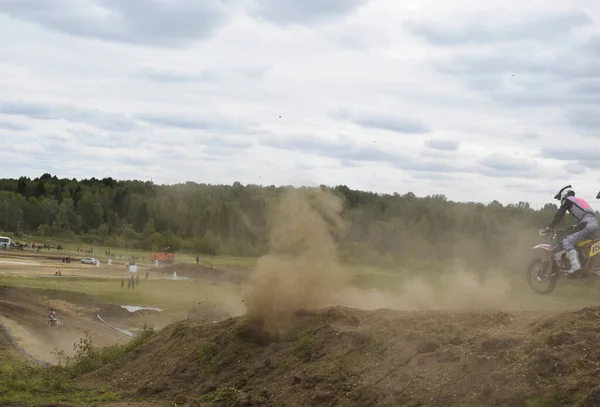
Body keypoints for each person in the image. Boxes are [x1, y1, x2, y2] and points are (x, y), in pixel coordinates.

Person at [541, 185, 599, 276]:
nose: (561, 200)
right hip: (594, 224)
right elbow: (585, 215)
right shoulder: (580, 201)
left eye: (560, 198)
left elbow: (560, 213)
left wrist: (550, 226)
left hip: (586, 224)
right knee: (580, 245)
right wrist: (575, 227)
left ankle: (575, 267)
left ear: (564, 194)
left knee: (567, 241)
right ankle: (586, 265)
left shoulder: (568, 200)